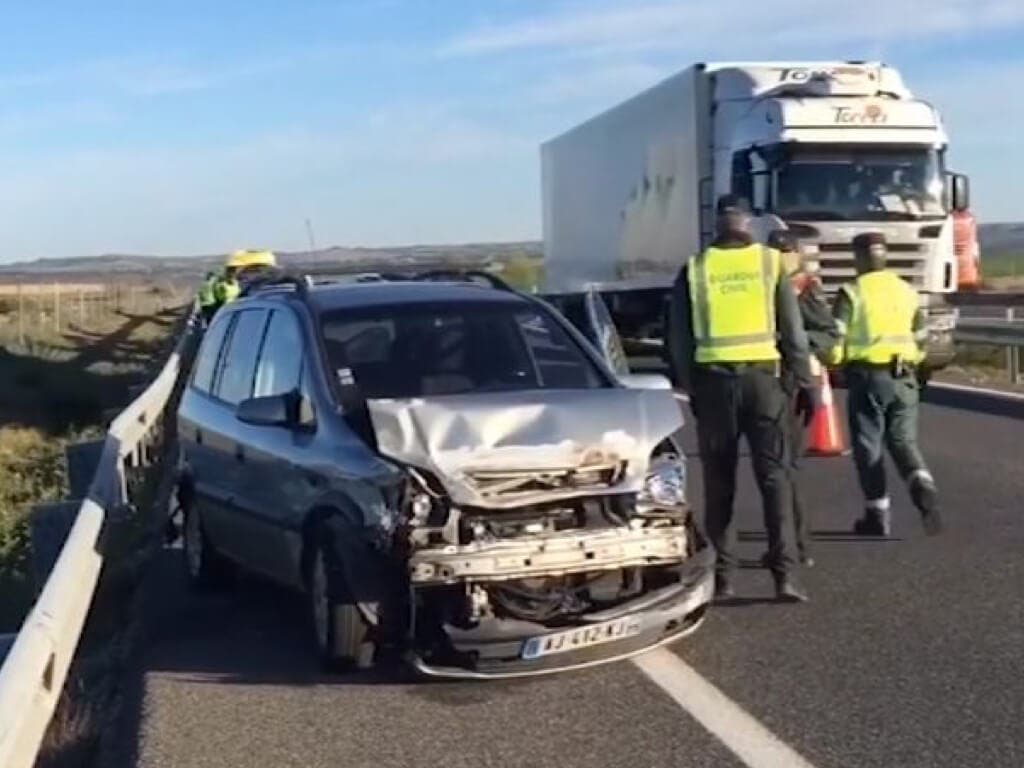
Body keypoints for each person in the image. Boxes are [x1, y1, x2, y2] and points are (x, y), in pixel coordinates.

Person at [667, 195, 819, 603]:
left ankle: (722, 578)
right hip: (764, 384)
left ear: (716, 225)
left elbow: (679, 342)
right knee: (775, 480)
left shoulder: (696, 269)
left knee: (720, 485)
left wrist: (691, 388)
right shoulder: (770, 265)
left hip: (715, 387)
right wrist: (805, 382)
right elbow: (793, 331)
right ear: (748, 224)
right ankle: (785, 576)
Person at [829, 232, 942, 537]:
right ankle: (922, 483)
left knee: (869, 446)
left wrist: (835, 362)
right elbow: (921, 338)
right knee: (904, 441)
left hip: (868, 378)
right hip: (905, 377)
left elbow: (836, 339)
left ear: (859, 257)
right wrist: (913, 361)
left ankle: (877, 514)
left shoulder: (852, 292)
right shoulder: (906, 290)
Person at [763, 230, 840, 567]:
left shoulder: (806, 286)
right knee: (772, 468)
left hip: (793, 381)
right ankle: (784, 545)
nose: (781, 257)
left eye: (786, 251)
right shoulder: (759, 283)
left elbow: (827, 333)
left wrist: (794, 339)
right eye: (775, 251)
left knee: (785, 467)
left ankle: (797, 546)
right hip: (762, 379)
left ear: (796, 254)